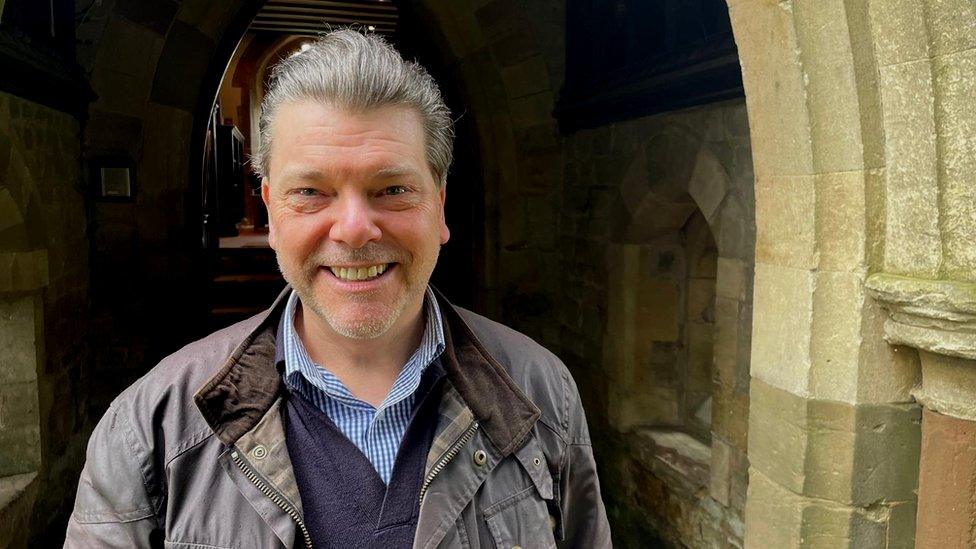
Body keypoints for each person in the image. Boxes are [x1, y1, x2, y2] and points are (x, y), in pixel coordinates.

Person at [65, 29, 611, 548]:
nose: (353, 229)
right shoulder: (150, 429)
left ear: (440, 205)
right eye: (311, 191)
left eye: (392, 188)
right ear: (272, 211)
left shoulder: (543, 395)